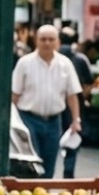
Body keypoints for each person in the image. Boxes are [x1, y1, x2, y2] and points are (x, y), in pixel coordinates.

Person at [12, 24, 82, 179]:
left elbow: (72, 95)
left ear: (57, 42)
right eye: (43, 39)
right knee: (31, 163)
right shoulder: (24, 63)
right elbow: (15, 95)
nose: (47, 43)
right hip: (28, 119)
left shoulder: (65, 64)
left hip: (53, 122)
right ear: (36, 41)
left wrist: (76, 120)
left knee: (49, 163)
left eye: (51, 39)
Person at [60, 27, 95, 178]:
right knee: (72, 139)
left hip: (55, 107)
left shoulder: (55, 58)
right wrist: (83, 97)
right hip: (75, 106)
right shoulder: (81, 59)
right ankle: (68, 173)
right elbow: (88, 84)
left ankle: (45, 177)